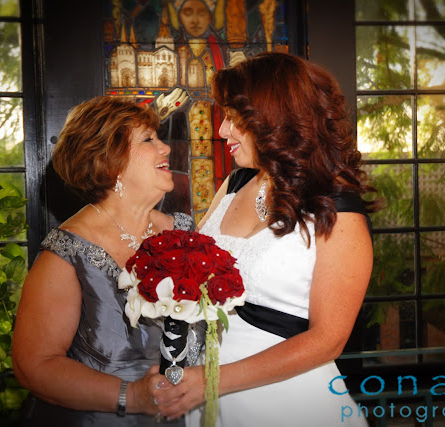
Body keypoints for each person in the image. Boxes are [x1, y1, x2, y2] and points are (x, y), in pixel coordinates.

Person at [151, 52, 380, 426]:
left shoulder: (337, 210)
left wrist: (213, 381)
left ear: (274, 119)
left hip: (287, 401)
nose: (222, 131)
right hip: (203, 387)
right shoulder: (234, 183)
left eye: (234, 119)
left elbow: (328, 340)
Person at [11, 96, 195, 426]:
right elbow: (35, 365)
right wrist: (132, 396)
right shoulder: (66, 252)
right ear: (110, 161)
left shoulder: (186, 233)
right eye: (148, 140)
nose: (165, 148)